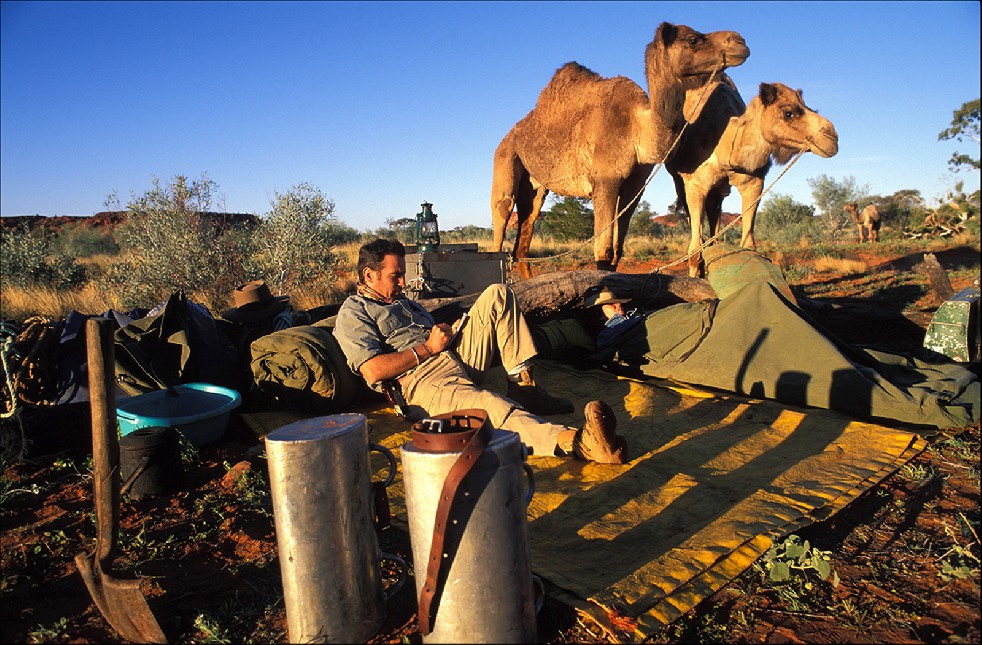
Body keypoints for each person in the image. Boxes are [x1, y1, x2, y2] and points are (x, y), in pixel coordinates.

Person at [332, 238, 627, 463]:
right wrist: (427, 347)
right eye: (395, 276)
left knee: (498, 294)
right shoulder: (354, 312)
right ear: (369, 276)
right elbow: (372, 370)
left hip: (450, 355)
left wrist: (451, 332)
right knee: (490, 406)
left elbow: (430, 336)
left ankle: (523, 387)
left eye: (402, 275)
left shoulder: (403, 302)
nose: (402, 282)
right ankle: (579, 443)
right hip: (422, 382)